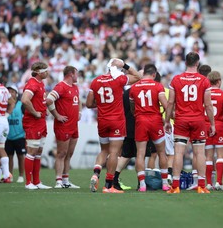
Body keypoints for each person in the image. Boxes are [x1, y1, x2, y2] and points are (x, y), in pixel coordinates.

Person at [86, 58, 140, 193]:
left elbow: (88, 104)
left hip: (102, 120)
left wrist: (103, 105)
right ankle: (108, 185)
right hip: (116, 120)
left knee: (104, 150)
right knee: (114, 152)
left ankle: (96, 173)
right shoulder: (119, 80)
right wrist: (125, 65)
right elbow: (138, 77)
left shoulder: (96, 81)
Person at [164, 52, 215, 194]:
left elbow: (170, 103)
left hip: (181, 120)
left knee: (178, 153)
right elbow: (209, 105)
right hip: (198, 120)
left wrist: (167, 121)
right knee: (199, 153)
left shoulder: (176, 79)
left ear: (185, 63)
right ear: (197, 63)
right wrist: (212, 124)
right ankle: (202, 186)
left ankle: (175, 186)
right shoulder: (204, 81)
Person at [129, 64, 170, 192]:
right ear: (154, 74)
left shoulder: (134, 87)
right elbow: (165, 104)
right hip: (155, 121)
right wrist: (167, 119)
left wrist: (137, 114)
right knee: (161, 152)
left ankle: (142, 185)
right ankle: (164, 183)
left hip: (141, 121)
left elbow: (132, 108)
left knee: (140, 154)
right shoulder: (158, 86)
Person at [46, 66, 81, 189]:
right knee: (61, 153)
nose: (78, 76)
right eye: (77, 73)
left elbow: (78, 101)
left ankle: (66, 180)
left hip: (73, 125)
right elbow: (49, 100)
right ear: (71, 74)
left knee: (69, 154)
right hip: (64, 125)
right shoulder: (61, 86)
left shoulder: (75, 87)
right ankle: (58, 180)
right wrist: (57, 115)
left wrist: (79, 112)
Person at [21, 62, 52, 190]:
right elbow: (24, 99)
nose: (47, 72)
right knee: (32, 151)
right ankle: (29, 182)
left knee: (38, 151)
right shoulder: (32, 83)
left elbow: (38, 100)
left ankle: (37, 181)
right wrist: (35, 112)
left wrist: (44, 110)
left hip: (41, 121)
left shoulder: (40, 83)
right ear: (39, 71)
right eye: (45, 70)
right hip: (33, 121)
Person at [204, 71, 223, 191]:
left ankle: (208, 184)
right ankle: (219, 182)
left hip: (207, 126)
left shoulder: (204, 94)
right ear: (219, 81)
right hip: (220, 126)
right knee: (221, 156)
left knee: (208, 157)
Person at [0, 70, 15, 183]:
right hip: (4, 120)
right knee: (1, 147)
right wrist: (6, 115)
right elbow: (12, 102)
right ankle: (6, 175)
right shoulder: (3, 88)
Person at [5, 85, 26, 183]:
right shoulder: (5, 104)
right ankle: (10, 175)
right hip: (8, 136)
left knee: (21, 156)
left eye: (12, 91)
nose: (10, 93)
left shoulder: (21, 105)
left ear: (16, 94)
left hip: (20, 136)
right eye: (8, 91)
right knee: (9, 157)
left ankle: (21, 175)